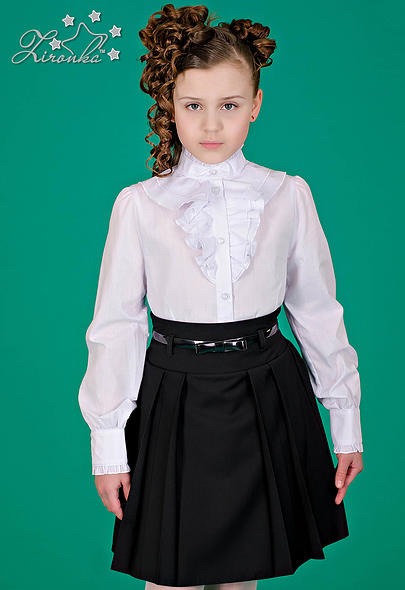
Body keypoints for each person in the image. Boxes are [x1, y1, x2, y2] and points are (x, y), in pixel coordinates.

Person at [78, 4, 364, 589]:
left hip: (266, 391)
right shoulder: (139, 204)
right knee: (169, 577)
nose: (211, 125)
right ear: (171, 105)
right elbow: (116, 326)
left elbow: (317, 312)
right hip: (173, 397)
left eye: (229, 106)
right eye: (194, 106)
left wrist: (346, 423)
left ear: (255, 105)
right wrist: (108, 446)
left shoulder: (288, 195)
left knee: (244, 574)